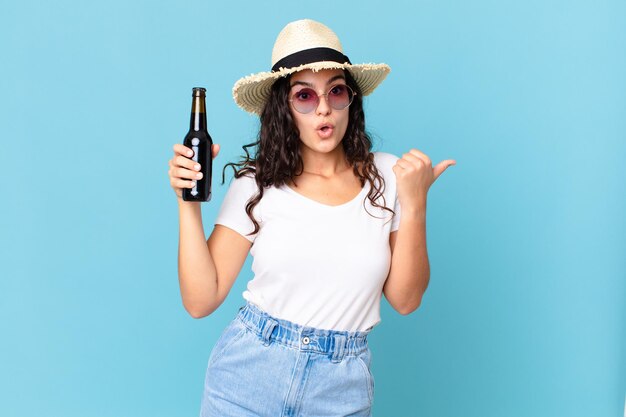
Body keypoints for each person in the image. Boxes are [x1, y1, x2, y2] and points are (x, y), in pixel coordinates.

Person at [168, 19, 455, 417]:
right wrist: (188, 201)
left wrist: (416, 201)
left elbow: (405, 300)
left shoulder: (387, 176)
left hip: (340, 389)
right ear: (284, 109)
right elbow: (201, 300)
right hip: (247, 376)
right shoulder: (259, 184)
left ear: (351, 100)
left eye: (336, 91)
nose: (323, 108)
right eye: (304, 96)